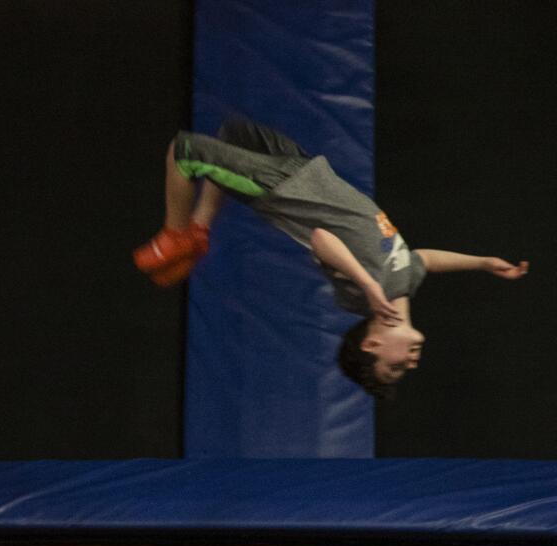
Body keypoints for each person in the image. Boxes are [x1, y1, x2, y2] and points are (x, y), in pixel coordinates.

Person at [132, 117, 529, 398]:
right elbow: (420, 257)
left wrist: (368, 283)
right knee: (234, 132)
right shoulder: (405, 283)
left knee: (184, 151)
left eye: (393, 367)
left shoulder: (362, 295)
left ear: (373, 345)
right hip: (305, 168)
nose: (410, 365)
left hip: (283, 188)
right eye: (403, 371)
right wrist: (483, 262)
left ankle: (178, 234)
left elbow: (323, 239)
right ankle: (200, 230)